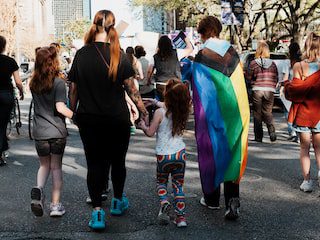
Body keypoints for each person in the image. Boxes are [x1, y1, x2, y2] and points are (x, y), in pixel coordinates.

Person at [68, 10, 148, 230]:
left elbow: (73, 89)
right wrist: (142, 110)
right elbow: (132, 88)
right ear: (113, 28)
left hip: (89, 119)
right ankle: (117, 202)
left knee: (94, 165)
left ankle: (96, 213)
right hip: (116, 119)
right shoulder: (119, 55)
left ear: (94, 26)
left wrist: (73, 112)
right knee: (117, 162)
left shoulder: (81, 55)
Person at [192, 16, 250, 220]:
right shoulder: (233, 53)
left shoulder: (201, 56)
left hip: (212, 113)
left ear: (202, 33)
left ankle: (212, 199)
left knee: (211, 150)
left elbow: (200, 90)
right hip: (236, 112)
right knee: (234, 152)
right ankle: (232, 199)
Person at [138, 79, 191, 227]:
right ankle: (181, 219)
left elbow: (150, 132)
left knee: (161, 183)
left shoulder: (160, 113)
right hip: (180, 154)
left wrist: (142, 125)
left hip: (164, 156)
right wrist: (155, 102)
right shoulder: (184, 111)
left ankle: (165, 202)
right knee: (178, 186)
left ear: (166, 94)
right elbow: (169, 106)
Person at [29, 46, 74, 217]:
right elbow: (60, 107)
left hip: (40, 132)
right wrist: (76, 117)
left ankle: (38, 190)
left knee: (44, 165)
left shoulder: (33, 83)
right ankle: (55, 206)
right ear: (53, 62)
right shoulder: (58, 83)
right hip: (56, 132)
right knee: (56, 168)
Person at [284, 32, 320, 193]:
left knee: (304, 148)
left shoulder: (298, 66)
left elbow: (294, 91)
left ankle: (307, 181)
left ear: (306, 45)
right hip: (319, 112)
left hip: (303, 113)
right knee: (319, 148)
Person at [247, 41, 278, 142]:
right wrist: (272, 86)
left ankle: (258, 136)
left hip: (257, 90)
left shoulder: (253, 63)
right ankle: (272, 131)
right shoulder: (273, 64)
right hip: (269, 90)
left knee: (257, 113)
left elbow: (248, 76)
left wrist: (252, 83)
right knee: (268, 112)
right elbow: (276, 77)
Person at [0, 35, 24, 166]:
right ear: (4, 47)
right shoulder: (10, 61)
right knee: (2, 124)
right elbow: (18, 81)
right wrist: (21, 91)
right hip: (5, 94)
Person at [280, 42, 302, 142]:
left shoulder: (287, 63)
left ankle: (292, 132)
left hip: (290, 90)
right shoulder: (303, 62)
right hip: (300, 90)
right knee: (298, 112)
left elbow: (285, 78)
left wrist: (282, 88)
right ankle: (298, 134)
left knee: (288, 112)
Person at [149, 35, 182, 101]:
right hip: (173, 83)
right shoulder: (177, 53)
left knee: (163, 103)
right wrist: (184, 37)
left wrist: (148, 80)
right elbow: (190, 48)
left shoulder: (155, 57)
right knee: (173, 103)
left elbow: (150, 71)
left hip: (160, 84)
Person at [135, 45, 155, 119]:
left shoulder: (135, 63)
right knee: (149, 108)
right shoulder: (148, 62)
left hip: (139, 89)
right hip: (149, 88)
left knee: (139, 108)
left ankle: (140, 123)